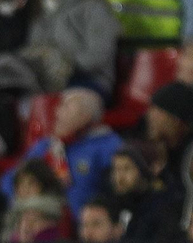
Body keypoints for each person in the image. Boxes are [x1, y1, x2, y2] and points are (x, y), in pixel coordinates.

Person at [16, 0, 119, 96]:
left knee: (70, 106)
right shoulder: (42, 8)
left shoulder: (94, 8)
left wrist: (66, 64)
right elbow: (34, 44)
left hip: (90, 80)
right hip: (45, 80)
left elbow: (99, 55)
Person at [12, 88, 120, 218]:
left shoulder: (108, 146)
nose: (57, 113)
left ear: (86, 116)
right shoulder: (46, 145)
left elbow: (118, 190)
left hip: (85, 228)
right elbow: (11, 180)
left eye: (66, 107)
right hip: (40, 222)